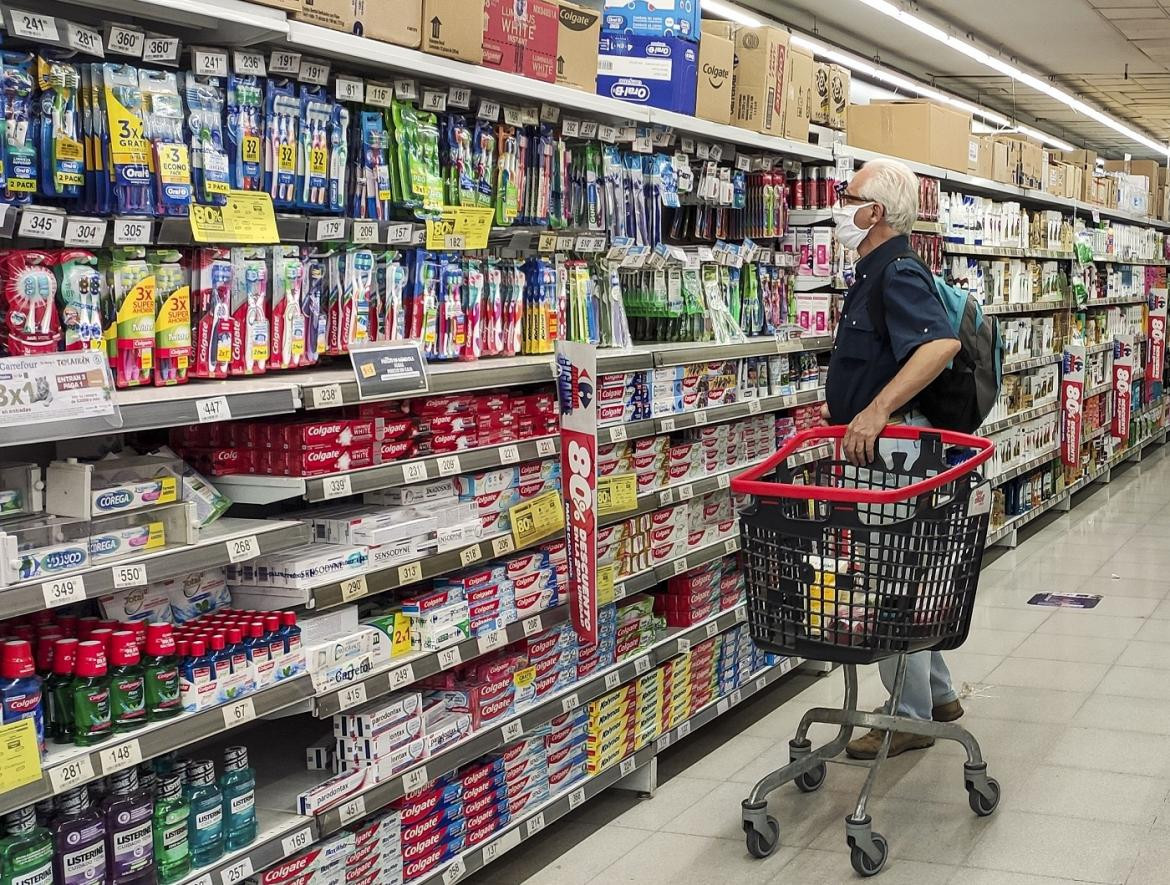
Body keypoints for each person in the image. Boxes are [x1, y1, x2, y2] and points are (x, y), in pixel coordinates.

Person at [824, 157, 965, 760]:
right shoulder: (873, 270)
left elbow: (940, 344)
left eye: (845, 195)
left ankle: (906, 715)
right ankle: (937, 694)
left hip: (895, 449)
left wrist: (877, 408)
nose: (837, 206)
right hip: (883, 445)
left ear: (873, 212)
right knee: (906, 569)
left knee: (891, 578)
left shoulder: (896, 271)